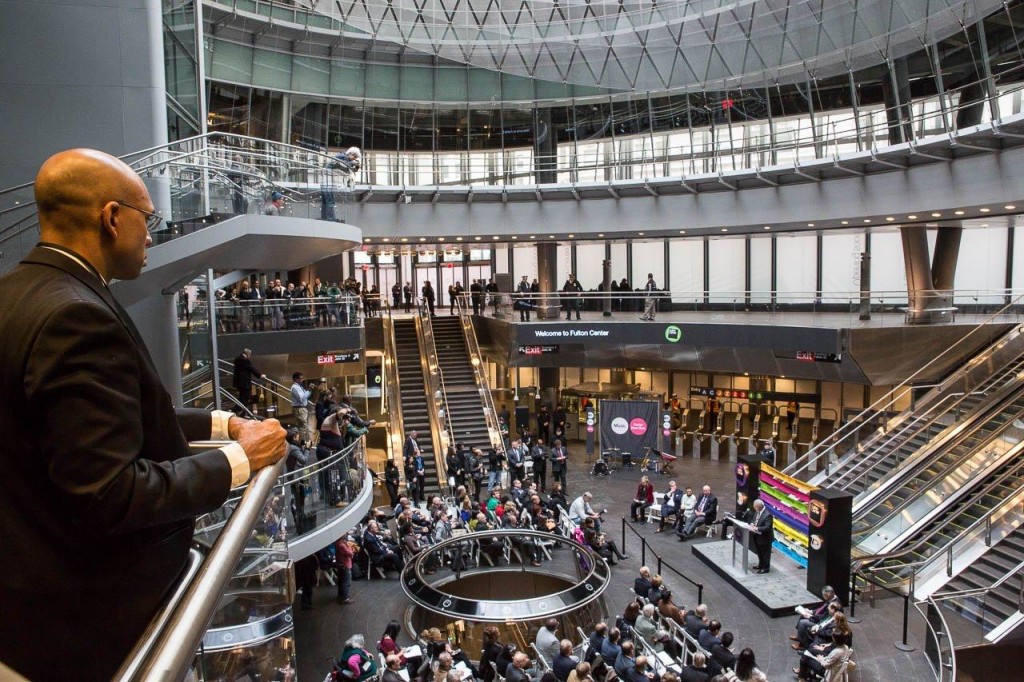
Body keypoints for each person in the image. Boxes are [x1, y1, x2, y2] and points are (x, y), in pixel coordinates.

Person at [0, 148, 289, 681]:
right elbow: (111, 493)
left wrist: (223, 424)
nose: (153, 235)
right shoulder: (75, 315)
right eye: (148, 219)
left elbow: (109, 416)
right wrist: (238, 461)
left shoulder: (19, 292)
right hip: (80, 630)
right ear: (111, 218)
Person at [233, 347, 266, 413]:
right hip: (244, 383)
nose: (250, 356)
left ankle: (241, 411)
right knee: (246, 397)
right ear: (248, 354)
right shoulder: (245, 360)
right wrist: (260, 375)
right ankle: (237, 410)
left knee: (242, 396)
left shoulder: (237, 359)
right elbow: (251, 369)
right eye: (250, 355)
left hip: (238, 382)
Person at [749, 498, 775, 573]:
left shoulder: (768, 515)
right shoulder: (757, 511)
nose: (754, 508)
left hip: (765, 538)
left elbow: (767, 527)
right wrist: (752, 523)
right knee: (759, 552)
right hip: (757, 536)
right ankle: (760, 565)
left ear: (759, 507)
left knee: (765, 554)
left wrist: (757, 528)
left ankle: (765, 568)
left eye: (755, 507)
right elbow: (754, 520)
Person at [291, 372, 313, 444]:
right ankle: (301, 443)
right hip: (300, 409)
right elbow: (302, 398)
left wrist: (309, 391)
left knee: (303, 427)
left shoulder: (299, 387)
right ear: (296, 379)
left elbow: (304, 396)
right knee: (302, 427)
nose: (302, 380)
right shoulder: (295, 387)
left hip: (301, 408)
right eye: (300, 378)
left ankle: (304, 442)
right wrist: (309, 390)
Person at [334, 533, 356, 604]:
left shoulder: (338, 544)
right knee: (346, 582)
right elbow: (350, 553)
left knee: (341, 582)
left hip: (341, 565)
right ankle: (345, 597)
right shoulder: (342, 545)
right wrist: (350, 547)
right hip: (345, 565)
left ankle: (340, 596)